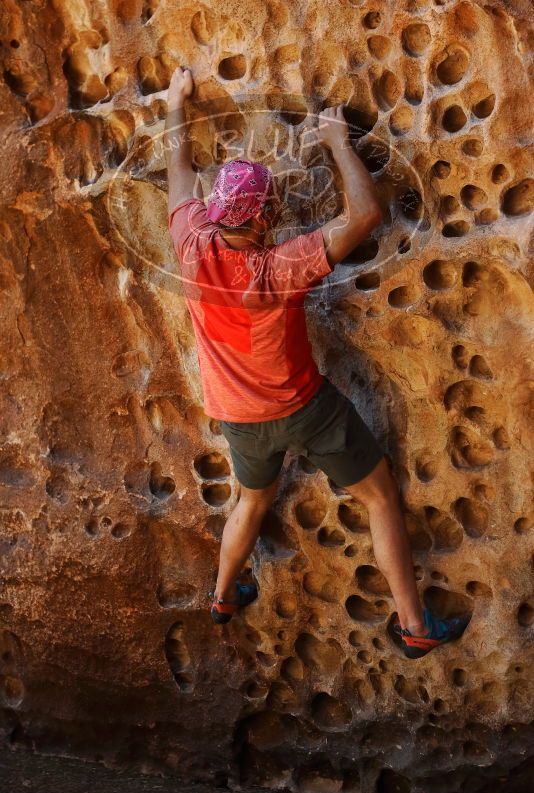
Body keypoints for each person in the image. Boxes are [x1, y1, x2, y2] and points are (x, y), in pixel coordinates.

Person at [164, 66, 470, 659]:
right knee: (378, 496)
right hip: (306, 410)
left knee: (252, 498)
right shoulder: (279, 268)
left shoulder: (191, 245)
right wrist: (335, 141)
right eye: (269, 206)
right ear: (255, 219)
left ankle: (224, 596)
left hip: (240, 420)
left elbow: (179, 173)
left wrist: (177, 103)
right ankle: (414, 626)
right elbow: (365, 216)